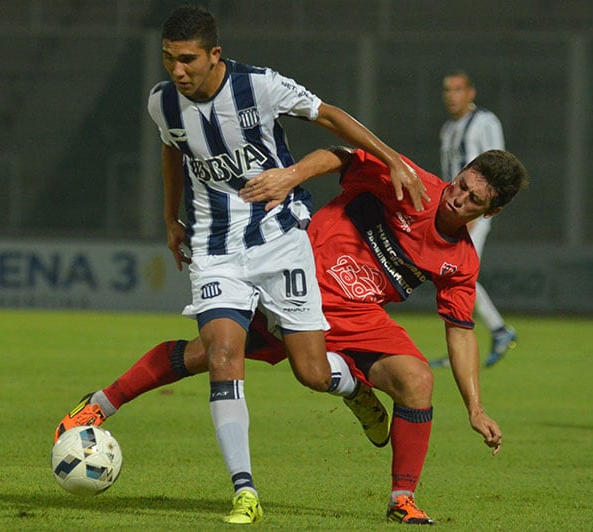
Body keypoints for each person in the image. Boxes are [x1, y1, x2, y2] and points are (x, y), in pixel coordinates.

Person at [57, 145, 529, 525]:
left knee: (418, 382)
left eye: (473, 200)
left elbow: (461, 332)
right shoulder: (410, 183)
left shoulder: (462, 260)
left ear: (491, 212)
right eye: (461, 184)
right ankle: (98, 404)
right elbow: (341, 156)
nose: (457, 198)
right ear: (460, 171)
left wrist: (475, 408)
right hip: (293, 285)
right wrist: (293, 175)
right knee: (206, 354)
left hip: (358, 316)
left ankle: (402, 500)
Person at [130, 4, 427, 524]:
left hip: (280, 240)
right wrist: (170, 217)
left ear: (214, 55)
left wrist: (392, 158)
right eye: (168, 59)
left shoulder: (260, 87)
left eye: (187, 59)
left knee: (311, 372)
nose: (177, 70)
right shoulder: (163, 103)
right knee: (224, 354)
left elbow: (330, 115)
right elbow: (172, 151)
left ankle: (354, 390)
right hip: (214, 246)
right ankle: (245, 491)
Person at [435, 70, 516, 368]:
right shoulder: (448, 128)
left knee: (460, 273)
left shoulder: (484, 122)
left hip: (474, 210)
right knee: (455, 274)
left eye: (457, 89)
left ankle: (490, 332)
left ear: (471, 93)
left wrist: (478, 212)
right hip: (453, 209)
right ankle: (486, 334)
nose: (450, 95)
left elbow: (499, 164)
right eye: (447, 89)